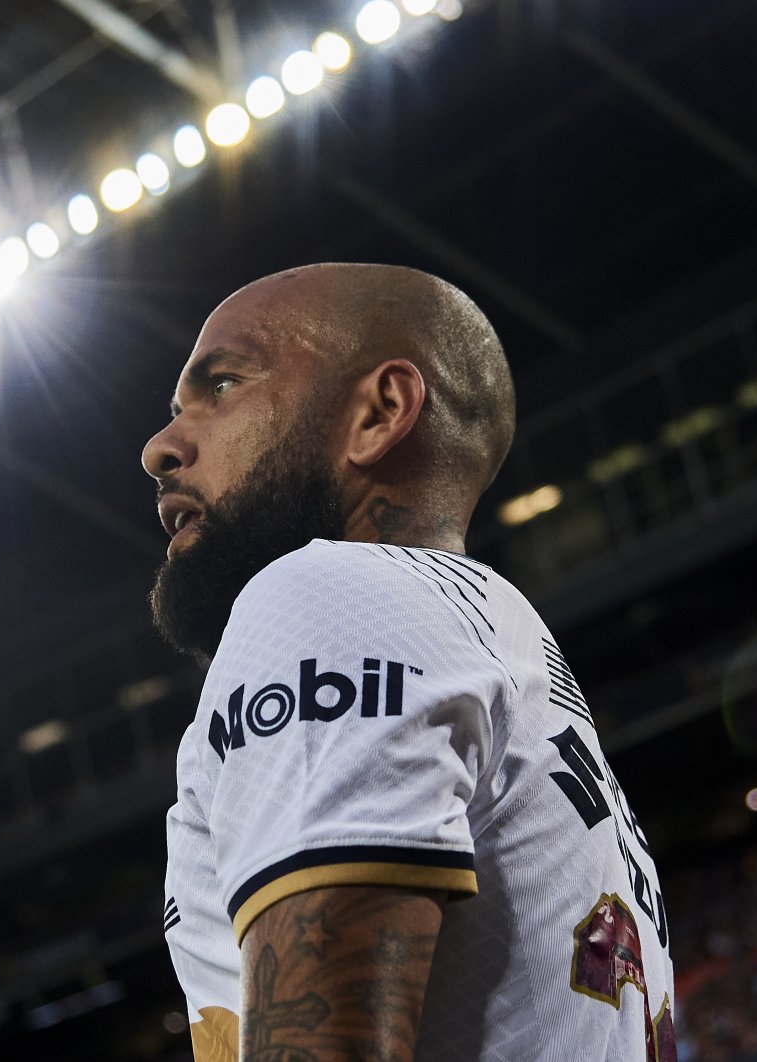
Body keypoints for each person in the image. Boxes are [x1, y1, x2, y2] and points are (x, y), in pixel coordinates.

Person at [143, 264, 675, 1061]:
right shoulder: (499, 630)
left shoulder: (329, 598)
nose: (161, 447)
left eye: (221, 385)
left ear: (380, 413)